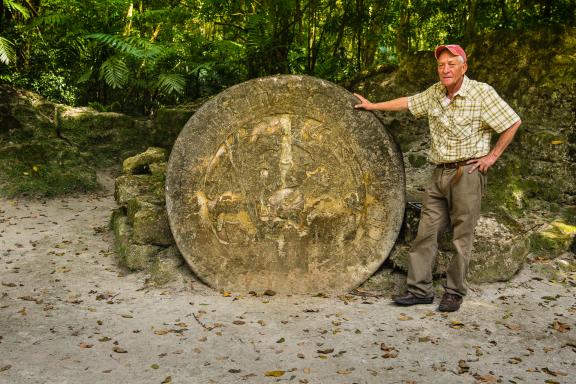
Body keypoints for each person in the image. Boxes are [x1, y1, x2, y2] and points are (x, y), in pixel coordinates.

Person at [354, 44, 521, 312]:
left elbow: (512, 122)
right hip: (439, 174)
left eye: (451, 64)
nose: (445, 70)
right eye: (441, 65)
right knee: (425, 233)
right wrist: (373, 106)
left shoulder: (481, 93)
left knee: (461, 237)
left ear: (464, 67)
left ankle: (454, 292)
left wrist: (491, 158)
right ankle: (420, 290)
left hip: (467, 173)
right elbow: (407, 103)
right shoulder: (434, 93)